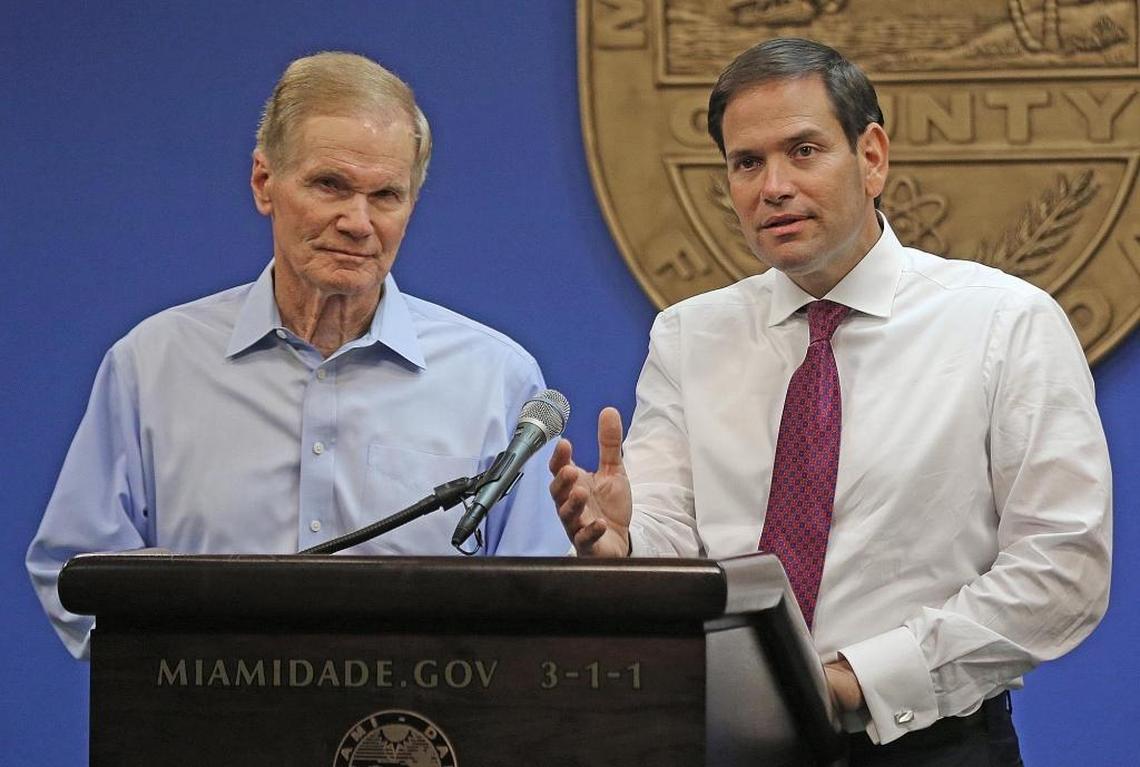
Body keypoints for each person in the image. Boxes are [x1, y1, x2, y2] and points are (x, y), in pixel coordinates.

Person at [549, 37, 1111, 764]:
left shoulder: (1005, 323)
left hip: (927, 743)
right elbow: (673, 537)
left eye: (803, 151)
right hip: (726, 743)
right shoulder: (690, 335)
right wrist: (625, 544)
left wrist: (854, 681)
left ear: (872, 156)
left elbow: (1061, 568)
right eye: (746, 163)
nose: (772, 186)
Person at [27, 52, 568, 660]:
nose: (357, 222)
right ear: (264, 182)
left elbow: (541, 599)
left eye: (386, 195)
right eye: (330, 185)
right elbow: (74, 571)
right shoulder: (153, 365)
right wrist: (173, 683)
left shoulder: (496, 378)